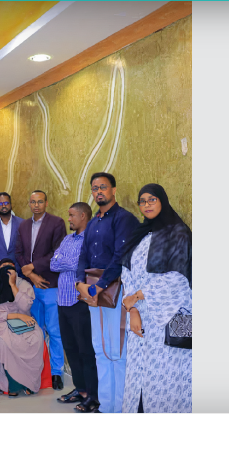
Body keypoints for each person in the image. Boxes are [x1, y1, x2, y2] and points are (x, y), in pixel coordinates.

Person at [119, 184, 192, 413]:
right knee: (140, 375)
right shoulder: (139, 235)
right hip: (140, 316)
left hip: (171, 317)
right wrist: (133, 310)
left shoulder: (179, 234)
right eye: (142, 201)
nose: (147, 205)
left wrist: (138, 297)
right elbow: (127, 273)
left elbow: (178, 279)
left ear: (162, 201)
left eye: (152, 199)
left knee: (168, 376)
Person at [75, 172, 138, 414]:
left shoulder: (124, 219)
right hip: (93, 293)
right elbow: (83, 256)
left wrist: (97, 287)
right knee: (99, 349)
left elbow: (120, 256)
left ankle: (121, 408)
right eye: (95, 188)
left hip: (115, 290)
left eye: (103, 187)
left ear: (113, 190)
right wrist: (80, 284)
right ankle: (106, 407)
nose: (98, 191)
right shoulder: (93, 223)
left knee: (117, 352)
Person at [51, 202, 100, 412]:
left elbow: (82, 263)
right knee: (70, 348)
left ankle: (92, 395)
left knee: (85, 350)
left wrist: (65, 260)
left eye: (72, 215)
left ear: (83, 216)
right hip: (63, 301)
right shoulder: (67, 239)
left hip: (79, 302)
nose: (69, 219)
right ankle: (80, 389)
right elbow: (53, 263)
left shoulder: (90, 239)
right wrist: (66, 260)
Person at [16, 190, 66, 389]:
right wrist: (31, 275)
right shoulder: (23, 225)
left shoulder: (57, 223)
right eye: (33, 202)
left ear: (46, 203)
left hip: (50, 284)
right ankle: (38, 369)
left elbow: (57, 252)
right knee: (35, 330)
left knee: (54, 331)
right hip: (30, 287)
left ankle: (56, 372)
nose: (36, 205)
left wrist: (33, 267)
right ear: (29, 204)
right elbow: (18, 253)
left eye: (40, 202)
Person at [0, 257, 44, 397]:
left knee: (37, 337)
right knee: (3, 341)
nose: (7, 272)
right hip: (3, 322)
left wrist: (12, 285)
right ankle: (14, 385)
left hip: (25, 321)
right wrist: (17, 316)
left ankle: (29, 383)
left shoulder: (24, 285)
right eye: (3, 268)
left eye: (10, 268)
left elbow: (25, 307)